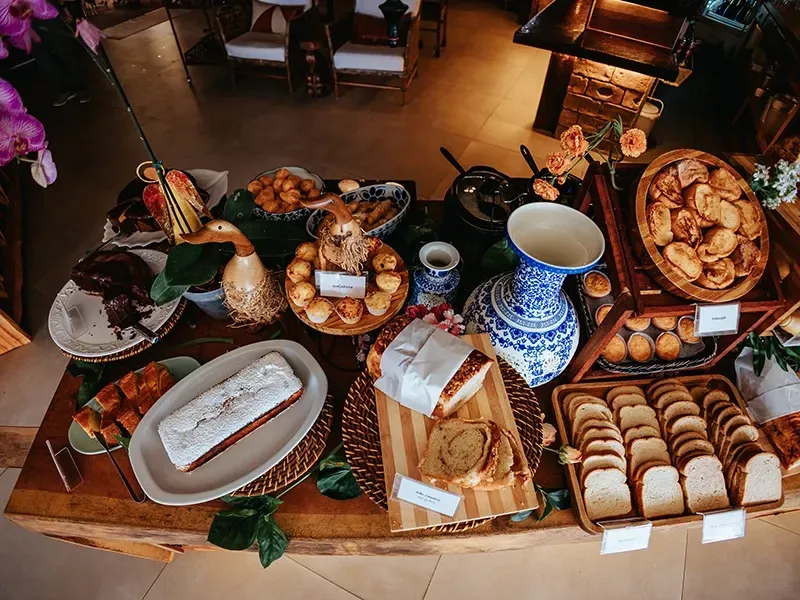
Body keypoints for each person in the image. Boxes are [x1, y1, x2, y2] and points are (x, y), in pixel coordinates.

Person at [30, 0, 91, 106]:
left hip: (46, 9)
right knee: (42, 57)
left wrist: (63, 5)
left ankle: (81, 87)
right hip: (24, 20)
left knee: (64, 49)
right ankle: (65, 89)